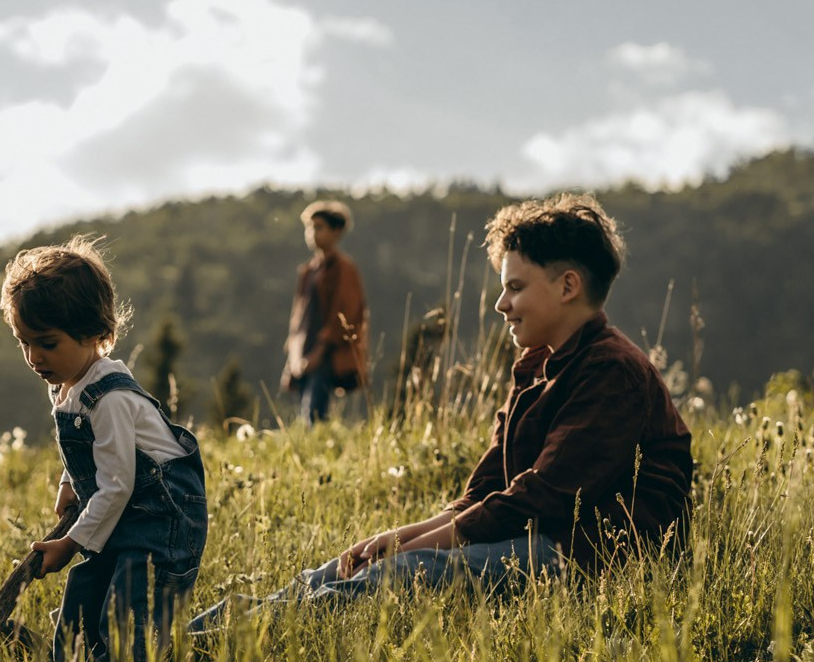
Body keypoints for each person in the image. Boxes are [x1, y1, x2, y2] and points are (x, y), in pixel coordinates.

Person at [190, 193, 691, 631]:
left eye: (515, 287)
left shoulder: (612, 372)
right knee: (346, 567)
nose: (500, 304)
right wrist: (397, 536)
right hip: (541, 535)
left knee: (403, 573)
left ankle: (246, 641)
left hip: (592, 557)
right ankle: (193, 640)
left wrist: (411, 552)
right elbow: (482, 493)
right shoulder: (536, 368)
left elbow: (541, 499)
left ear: (567, 286)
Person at [3, 238, 209, 662]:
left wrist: (70, 542)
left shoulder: (110, 397)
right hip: (121, 518)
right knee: (81, 604)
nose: (34, 357)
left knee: (127, 619)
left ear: (95, 333)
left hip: (160, 524)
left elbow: (117, 483)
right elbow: (94, 453)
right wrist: (68, 484)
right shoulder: (70, 386)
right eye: (25, 343)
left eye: (47, 343)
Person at [282, 200, 369, 424]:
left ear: (336, 231)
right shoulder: (309, 271)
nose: (312, 233)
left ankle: (319, 452)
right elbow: (299, 317)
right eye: (309, 228)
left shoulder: (344, 269)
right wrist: (294, 350)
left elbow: (347, 313)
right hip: (305, 350)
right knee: (305, 410)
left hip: (327, 352)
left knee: (314, 412)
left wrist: (319, 352)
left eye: (319, 227)